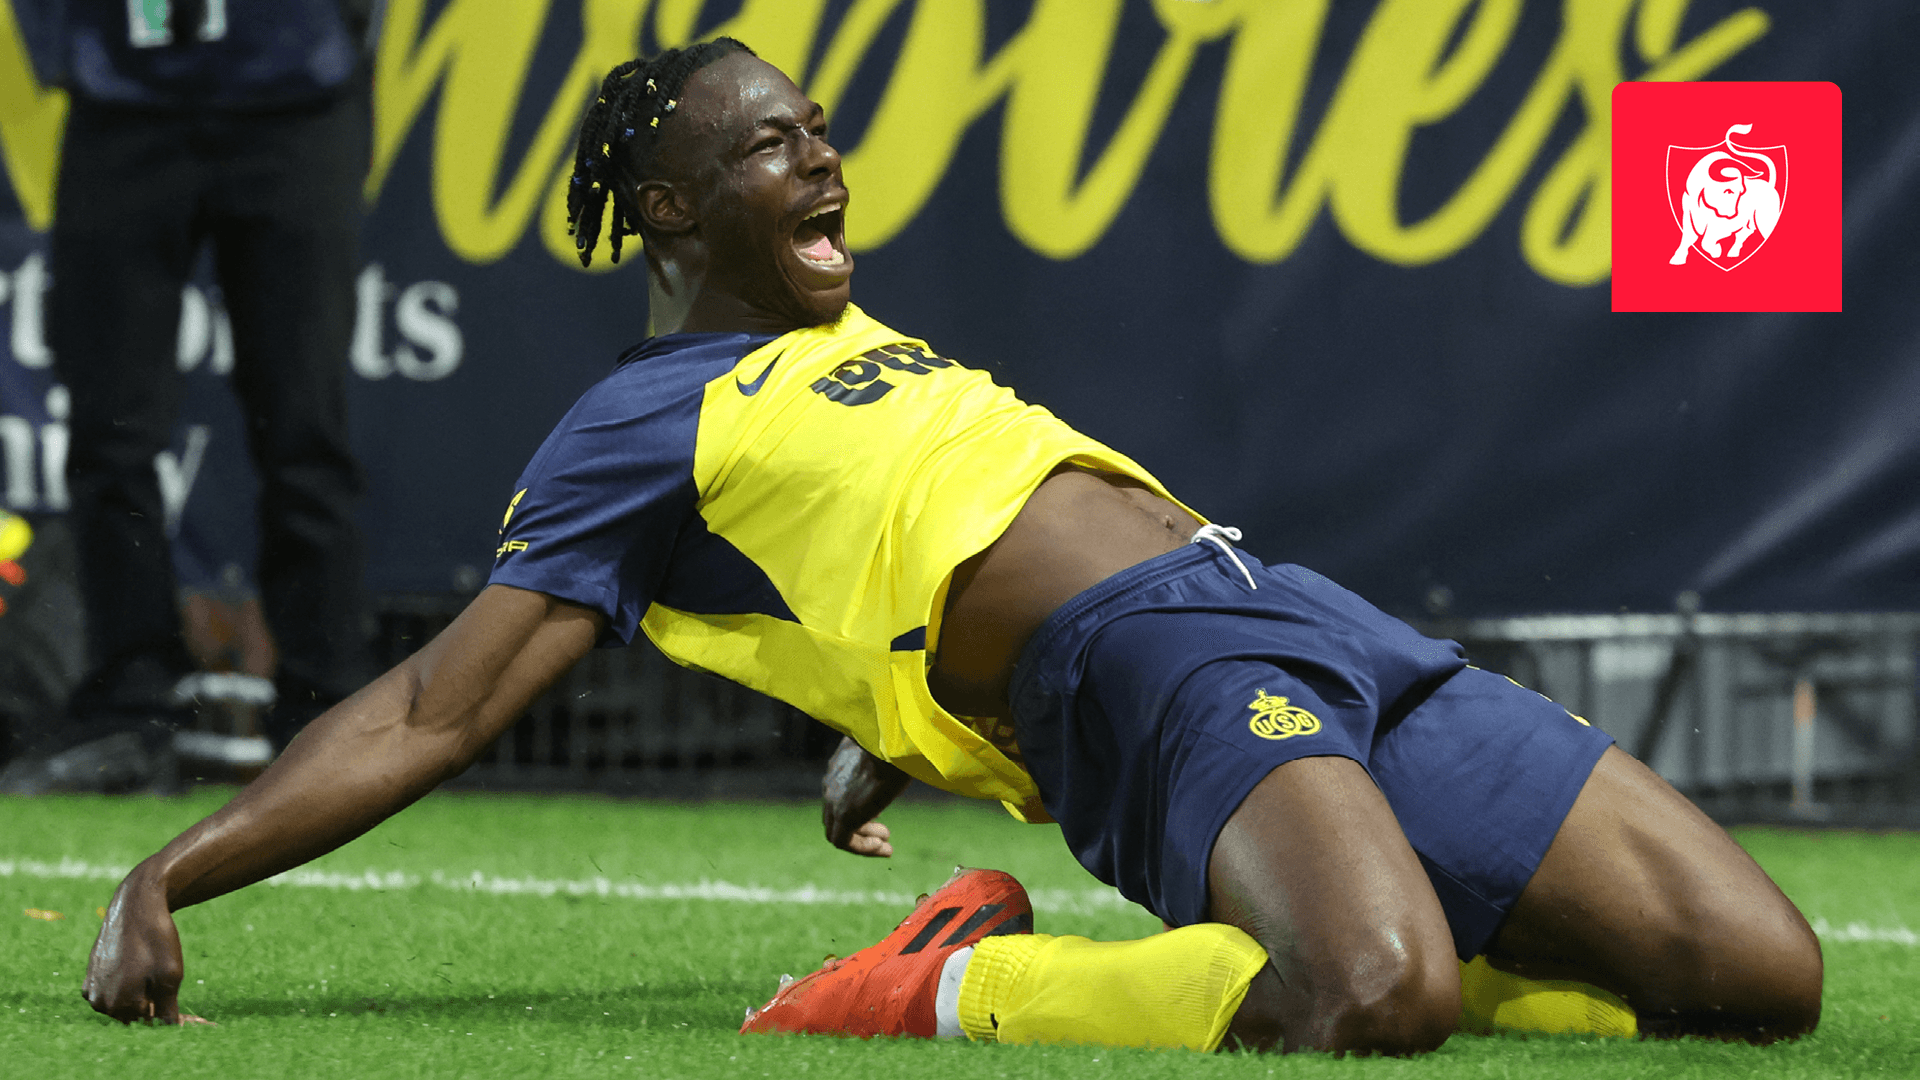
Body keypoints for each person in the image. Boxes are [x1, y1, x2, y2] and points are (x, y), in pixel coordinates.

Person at [81, 41, 1823, 1053]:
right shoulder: (635, 422)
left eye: (819, 130)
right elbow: (431, 709)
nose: (821, 160)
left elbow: (891, 559)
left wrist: (897, 723)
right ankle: (951, 987)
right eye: (771, 145)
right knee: (1372, 997)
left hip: (1293, 608)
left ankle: (1482, 960)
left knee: (1761, 980)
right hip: (1150, 670)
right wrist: (169, 874)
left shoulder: (847, 339)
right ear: (671, 209)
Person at [9, 0, 375, 792]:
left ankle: (325, 712)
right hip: (122, 106)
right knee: (109, 430)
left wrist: (339, 34)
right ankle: (126, 708)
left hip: (295, 105)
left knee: (304, 424)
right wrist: (63, 50)